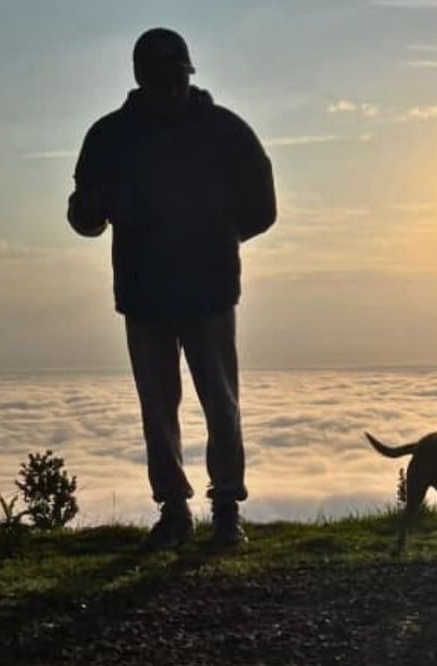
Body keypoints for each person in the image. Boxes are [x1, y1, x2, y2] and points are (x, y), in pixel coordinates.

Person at [67, 27, 276, 549]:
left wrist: (219, 236)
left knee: (219, 403)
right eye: (161, 78)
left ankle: (225, 507)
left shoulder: (225, 132)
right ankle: (176, 511)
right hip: (146, 296)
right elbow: (83, 217)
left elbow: (263, 207)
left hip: (206, 293)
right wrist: (102, 208)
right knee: (159, 407)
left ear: (187, 74)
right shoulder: (111, 136)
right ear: (143, 79)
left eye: (176, 76)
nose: (170, 86)